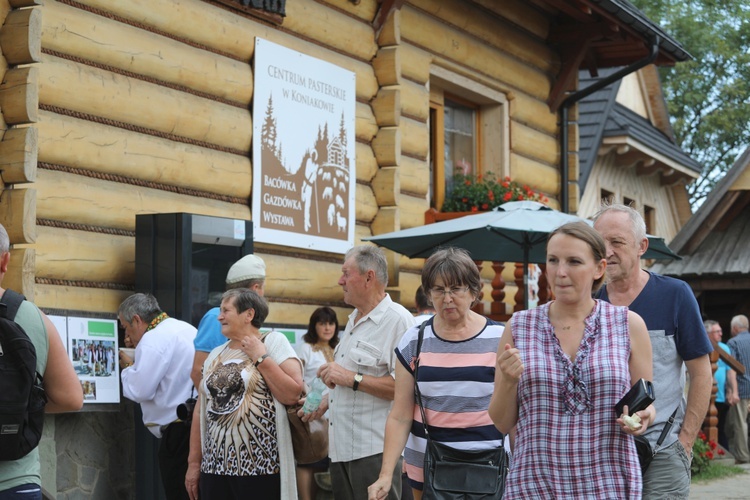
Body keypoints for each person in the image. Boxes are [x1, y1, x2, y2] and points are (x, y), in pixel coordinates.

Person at [489, 221, 654, 498]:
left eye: (574, 261)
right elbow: (501, 423)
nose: (560, 272)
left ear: (599, 268)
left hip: (609, 483)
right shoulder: (519, 327)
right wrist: (507, 380)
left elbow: (646, 402)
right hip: (535, 484)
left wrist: (643, 416)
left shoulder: (628, 324)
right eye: (553, 260)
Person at [593, 203, 713, 498]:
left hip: (662, 451)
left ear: (641, 246)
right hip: (599, 457)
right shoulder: (587, 302)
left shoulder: (675, 295)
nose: (606, 251)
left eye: (617, 242)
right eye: (599, 243)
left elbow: (701, 373)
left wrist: (685, 442)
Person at [368, 247, 505, 500]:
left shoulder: (501, 338)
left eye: (456, 288)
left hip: (490, 467)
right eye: (439, 290)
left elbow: (515, 411)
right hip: (429, 469)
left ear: (474, 291)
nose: (447, 298)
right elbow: (400, 415)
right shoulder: (415, 340)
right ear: (429, 294)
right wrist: (386, 474)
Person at [307, 245, 415, 500]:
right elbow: (351, 382)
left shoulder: (399, 320)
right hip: (341, 450)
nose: (340, 280)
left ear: (369, 277)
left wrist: (349, 378)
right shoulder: (354, 318)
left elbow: (405, 390)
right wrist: (325, 401)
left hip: (375, 453)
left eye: (346, 273)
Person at [185, 289, 303, 499]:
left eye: (225, 310)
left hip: (260, 466)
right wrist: (194, 463)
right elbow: (200, 410)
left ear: (248, 314)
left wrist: (260, 357)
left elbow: (293, 393)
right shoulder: (215, 353)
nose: (219, 317)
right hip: (215, 467)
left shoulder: (273, 341)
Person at [0, 224, 84, 499]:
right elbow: (71, 398)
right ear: (4, 261)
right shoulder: (31, 316)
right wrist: (19, 405)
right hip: (17, 480)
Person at [118, 293, 197, 500]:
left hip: (178, 430)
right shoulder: (186, 328)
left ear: (137, 320)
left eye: (126, 327)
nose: (127, 334)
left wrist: (127, 367)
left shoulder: (152, 339)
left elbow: (139, 390)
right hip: (196, 423)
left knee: (178, 492)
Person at [190, 254, 266, 389]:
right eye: (263, 288)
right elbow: (198, 371)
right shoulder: (216, 318)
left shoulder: (247, 318)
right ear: (255, 288)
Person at [295, 306, 339, 500]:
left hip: (335, 415)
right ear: (314, 326)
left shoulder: (338, 348)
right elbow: (297, 377)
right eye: (322, 323)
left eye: (331, 323)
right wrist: (310, 397)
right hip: (312, 413)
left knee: (327, 463)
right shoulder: (305, 348)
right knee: (309, 461)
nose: (327, 328)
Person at [725, 315, 750, 463]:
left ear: (734, 328)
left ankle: (743, 457)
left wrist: (733, 391)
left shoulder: (733, 342)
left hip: (742, 389)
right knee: (734, 423)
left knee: (741, 423)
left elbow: (731, 370)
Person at [706, 320, 731, 449]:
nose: (721, 334)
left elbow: (730, 370)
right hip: (705, 394)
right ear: (707, 333)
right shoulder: (703, 345)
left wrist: (732, 391)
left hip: (720, 394)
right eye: (717, 331)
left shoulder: (724, 348)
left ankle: (719, 451)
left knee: (720, 427)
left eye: (720, 331)